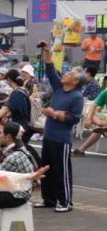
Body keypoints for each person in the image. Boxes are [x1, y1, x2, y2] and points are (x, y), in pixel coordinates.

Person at [35, 43, 85, 213]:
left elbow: (74, 118)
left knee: (62, 171)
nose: (66, 74)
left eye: (70, 73)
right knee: (46, 169)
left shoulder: (77, 96)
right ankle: (48, 199)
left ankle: (66, 202)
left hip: (62, 140)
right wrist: (47, 52)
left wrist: (55, 114)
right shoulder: (59, 87)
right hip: (49, 136)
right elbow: (50, 70)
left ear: (76, 81)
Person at [74, 85, 107, 156]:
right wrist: (90, 119)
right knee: (91, 115)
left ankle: (103, 126)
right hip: (104, 122)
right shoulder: (105, 93)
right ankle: (81, 149)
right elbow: (93, 106)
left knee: (99, 128)